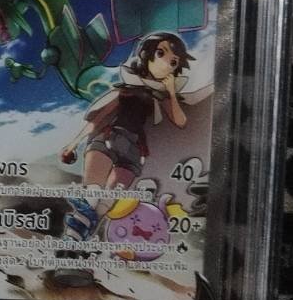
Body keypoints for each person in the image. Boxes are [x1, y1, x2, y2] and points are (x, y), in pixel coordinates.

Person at [58, 31, 197, 241]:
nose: (167, 63)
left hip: (134, 150)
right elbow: (98, 118)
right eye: (161, 53)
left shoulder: (161, 95)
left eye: (174, 62)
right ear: (146, 55)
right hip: (108, 138)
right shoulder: (125, 90)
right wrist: (73, 144)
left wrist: (170, 92)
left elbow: (180, 121)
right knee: (92, 195)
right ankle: (72, 237)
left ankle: (77, 239)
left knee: (106, 201)